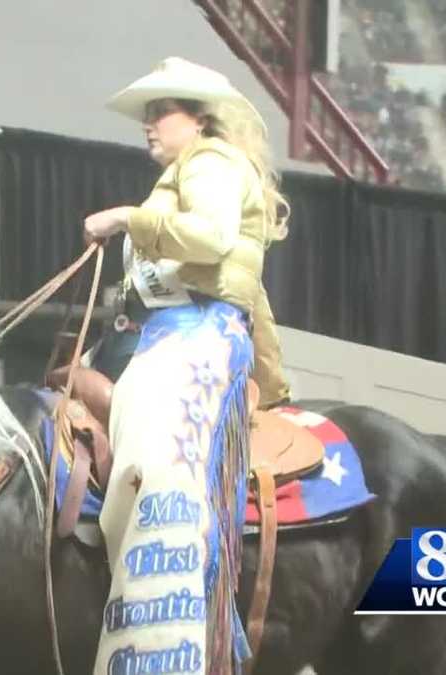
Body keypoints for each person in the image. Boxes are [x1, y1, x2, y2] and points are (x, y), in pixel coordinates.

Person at [81, 57, 290, 675]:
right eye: (146, 114)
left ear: (196, 118)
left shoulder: (212, 163)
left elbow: (210, 239)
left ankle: (163, 649)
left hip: (194, 340)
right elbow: (246, 284)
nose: (148, 124)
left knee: (155, 467)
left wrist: (125, 217)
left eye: (159, 111)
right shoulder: (183, 174)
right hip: (168, 335)